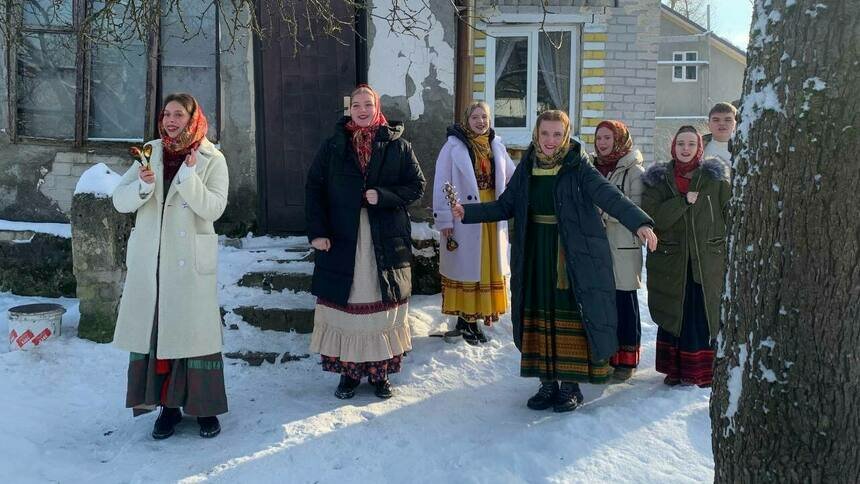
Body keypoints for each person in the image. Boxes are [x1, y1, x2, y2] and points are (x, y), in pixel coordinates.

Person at [452, 110, 657, 412]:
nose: (550, 141)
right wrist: (467, 212)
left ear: (566, 135)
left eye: (557, 134)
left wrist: (639, 223)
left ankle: (570, 387)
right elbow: (507, 204)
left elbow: (609, 195)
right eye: (545, 134)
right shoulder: (528, 165)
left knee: (570, 314)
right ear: (536, 134)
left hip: (569, 255)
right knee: (539, 313)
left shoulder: (578, 165)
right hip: (536, 252)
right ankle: (547, 383)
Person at [112, 93, 229, 439]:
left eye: (179, 114)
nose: (170, 120)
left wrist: (190, 177)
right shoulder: (149, 153)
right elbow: (120, 200)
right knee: (160, 332)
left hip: (189, 263)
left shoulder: (212, 158)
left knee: (195, 335)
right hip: (154, 261)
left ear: (193, 118)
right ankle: (168, 409)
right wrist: (143, 187)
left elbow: (214, 209)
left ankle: (205, 409)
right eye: (166, 114)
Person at [306, 84, 425, 400]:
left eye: (367, 105)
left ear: (377, 108)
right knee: (348, 304)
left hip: (383, 239)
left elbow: (417, 186)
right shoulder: (333, 146)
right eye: (356, 105)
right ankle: (348, 374)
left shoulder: (398, 146)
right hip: (342, 237)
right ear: (350, 110)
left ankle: (379, 374)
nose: (361, 110)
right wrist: (317, 233)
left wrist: (384, 196)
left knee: (380, 305)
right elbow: (314, 188)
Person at [642, 125, 730, 388]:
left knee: (702, 313)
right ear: (673, 146)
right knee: (674, 311)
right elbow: (652, 217)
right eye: (681, 143)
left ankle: (702, 371)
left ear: (699, 148)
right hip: (672, 260)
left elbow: (730, 212)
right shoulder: (658, 180)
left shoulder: (714, 179)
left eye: (691, 144)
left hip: (706, 260)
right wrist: (682, 202)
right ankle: (675, 369)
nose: (685, 149)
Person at [432, 101, 515, 345]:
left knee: (486, 266)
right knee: (468, 266)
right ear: (466, 120)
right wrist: (444, 217)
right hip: (463, 215)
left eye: (485, 117)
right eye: (475, 117)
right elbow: (441, 182)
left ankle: (476, 317)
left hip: (490, 213)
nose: (481, 121)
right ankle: (466, 320)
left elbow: (513, 176)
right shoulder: (452, 147)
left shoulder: (496, 145)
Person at [592, 120, 646, 381]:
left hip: (623, 245)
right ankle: (605, 353)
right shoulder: (591, 168)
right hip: (595, 245)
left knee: (624, 301)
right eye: (599, 138)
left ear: (619, 140)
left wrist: (601, 211)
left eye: (608, 138)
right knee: (601, 302)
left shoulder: (634, 171)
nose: (602, 143)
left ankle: (626, 359)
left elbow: (636, 208)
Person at [702, 102, 738, 173]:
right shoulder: (697, 148)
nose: (722, 123)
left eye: (727, 120)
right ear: (708, 124)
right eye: (716, 120)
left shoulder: (744, 149)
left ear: (735, 124)